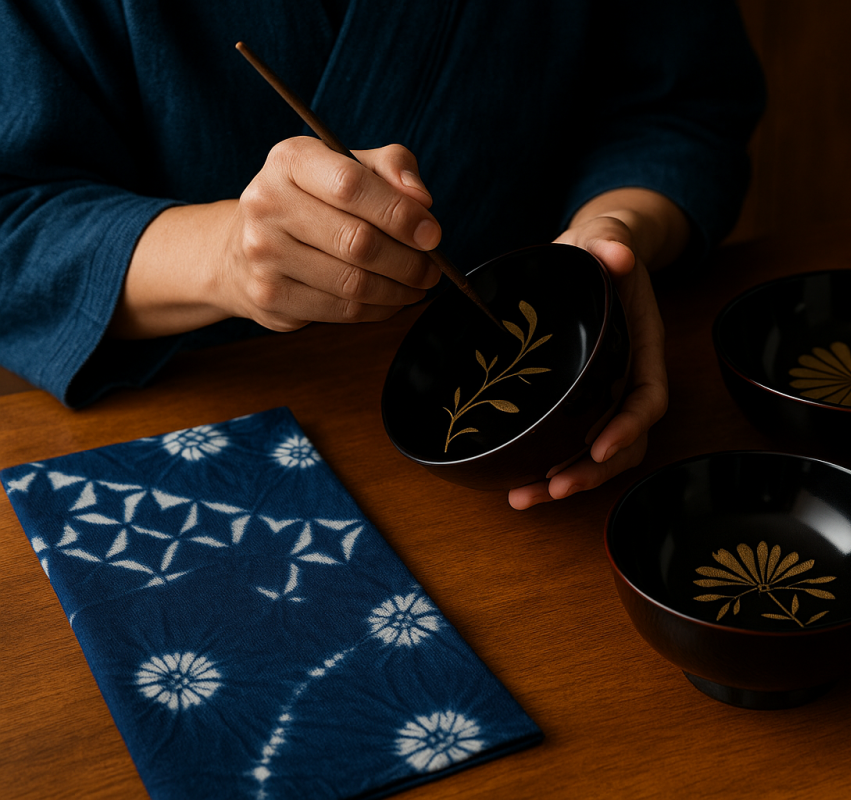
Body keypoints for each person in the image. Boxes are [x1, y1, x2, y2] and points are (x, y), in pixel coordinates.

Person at [0, 1, 765, 509]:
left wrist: (614, 235)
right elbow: (14, 220)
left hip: (550, 382)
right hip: (202, 444)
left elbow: (680, 107)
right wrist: (228, 255)